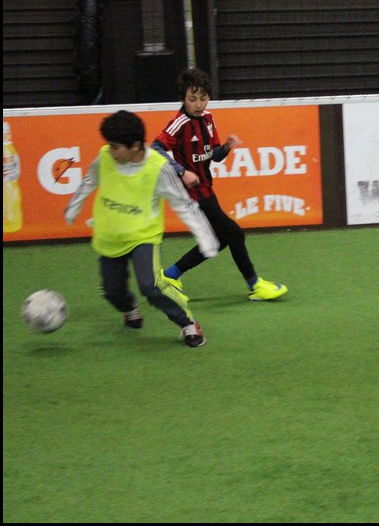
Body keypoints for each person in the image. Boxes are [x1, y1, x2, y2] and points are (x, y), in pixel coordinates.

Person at [65, 110, 219, 348]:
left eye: (116, 147)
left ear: (136, 146)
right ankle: (130, 307)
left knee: (151, 286)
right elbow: (90, 181)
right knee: (112, 291)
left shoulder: (158, 167)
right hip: (110, 234)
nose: (110, 151)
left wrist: (205, 239)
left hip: (143, 235)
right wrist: (73, 208)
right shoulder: (105, 157)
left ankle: (187, 322)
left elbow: (183, 204)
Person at [151, 67, 287, 302]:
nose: (199, 104)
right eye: (192, 99)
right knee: (234, 232)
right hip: (190, 193)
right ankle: (255, 285)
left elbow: (214, 156)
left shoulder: (208, 119)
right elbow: (155, 149)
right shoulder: (179, 123)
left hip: (206, 189)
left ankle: (170, 275)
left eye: (203, 98)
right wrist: (181, 171)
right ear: (183, 99)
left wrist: (226, 147)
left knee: (219, 239)